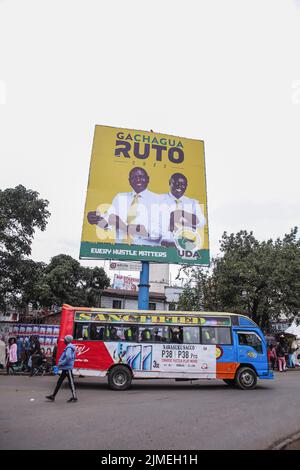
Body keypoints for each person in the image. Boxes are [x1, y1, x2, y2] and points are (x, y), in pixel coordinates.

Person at [87, 167, 161, 246]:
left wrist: (125, 227)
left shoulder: (158, 200)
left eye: (141, 176)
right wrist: (97, 220)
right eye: (134, 177)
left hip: (146, 254)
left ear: (148, 179)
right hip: (121, 252)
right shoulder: (119, 197)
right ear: (129, 181)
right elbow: (108, 224)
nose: (138, 180)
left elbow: (157, 234)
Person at [160, 173, 206, 247]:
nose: (179, 186)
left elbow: (202, 221)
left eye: (183, 184)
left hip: (186, 246)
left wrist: (182, 213)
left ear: (186, 186)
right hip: (163, 245)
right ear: (170, 183)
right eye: (177, 183)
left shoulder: (193, 202)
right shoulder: (159, 200)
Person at [45, 335, 77, 402]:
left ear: (67, 340)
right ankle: (53, 396)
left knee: (71, 383)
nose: (64, 341)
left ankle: (74, 397)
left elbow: (68, 358)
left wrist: (61, 363)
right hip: (66, 368)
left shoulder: (69, 348)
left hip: (67, 368)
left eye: (65, 339)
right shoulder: (70, 347)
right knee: (59, 382)